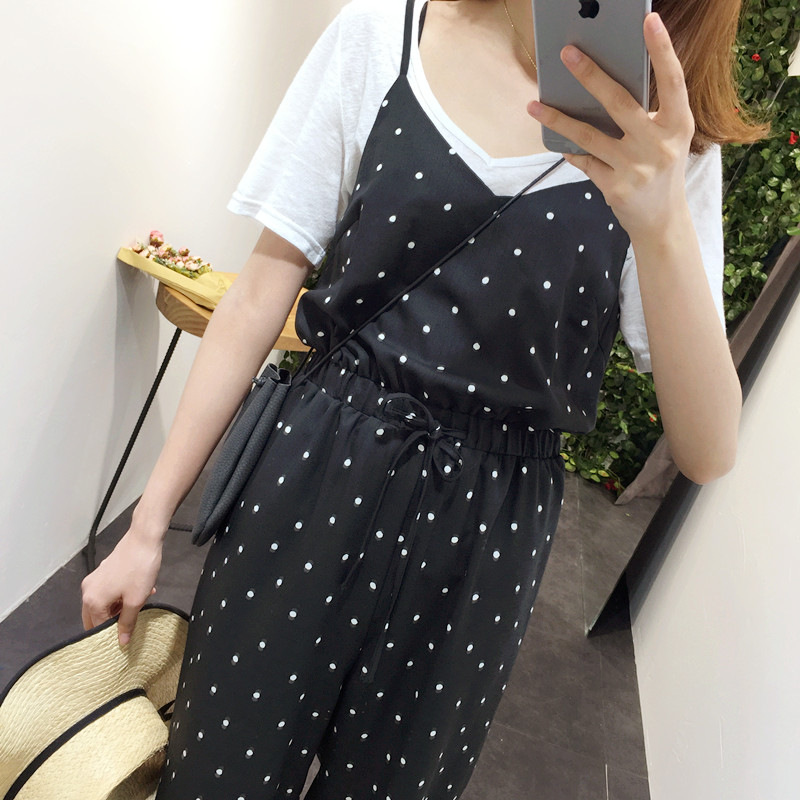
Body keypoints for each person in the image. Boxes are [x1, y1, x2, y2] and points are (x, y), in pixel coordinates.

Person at [81, 0, 763, 797]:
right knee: (217, 774)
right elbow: (263, 287)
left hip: (485, 531)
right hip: (314, 470)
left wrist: (662, 222)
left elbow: (708, 448)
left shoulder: (669, 147)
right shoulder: (385, 32)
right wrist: (148, 525)